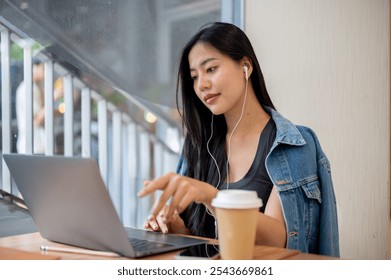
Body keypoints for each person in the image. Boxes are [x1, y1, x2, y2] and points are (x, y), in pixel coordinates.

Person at [138, 22, 339, 257]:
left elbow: (278, 239)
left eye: (210, 69)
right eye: (194, 77)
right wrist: (177, 229)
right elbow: (199, 250)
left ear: (245, 66)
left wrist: (212, 197)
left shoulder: (293, 144)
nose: (201, 84)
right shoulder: (197, 145)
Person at [16, 58, 46, 154]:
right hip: (32, 145)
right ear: (34, 67)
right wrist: (52, 98)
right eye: (44, 68)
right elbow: (36, 120)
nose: (46, 71)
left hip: (39, 145)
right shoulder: (27, 88)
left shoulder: (38, 87)